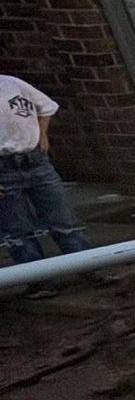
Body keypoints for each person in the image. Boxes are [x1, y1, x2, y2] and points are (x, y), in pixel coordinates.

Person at [0, 72, 90, 265]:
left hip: (35, 160)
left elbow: (46, 107)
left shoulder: (12, 84)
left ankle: (88, 265)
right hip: (3, 169)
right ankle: (38, 279)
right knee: (18, 230)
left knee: (63, 220)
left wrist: (43, 134)